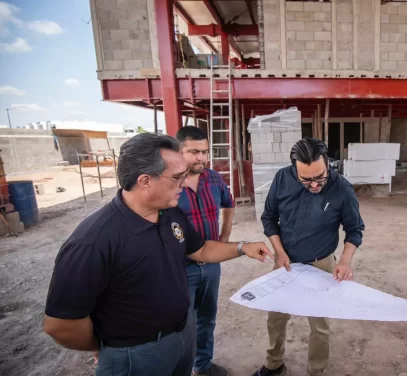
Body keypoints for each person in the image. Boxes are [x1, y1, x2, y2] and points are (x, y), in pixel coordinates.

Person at [43, 133, 273, 376]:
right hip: (135, 355)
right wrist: (110, 347)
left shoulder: (169, 214)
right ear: (144, 181)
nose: (184, 184)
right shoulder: (93, 241)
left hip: (182, 336)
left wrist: (242, 247)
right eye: (176, 178)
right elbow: (60, 325)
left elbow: (201, 249)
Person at [252, 138, 365, 376]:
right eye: (306, 179)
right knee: (276, 318)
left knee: (320, 326)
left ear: (327, 163)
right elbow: (269, 218)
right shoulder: (282, 178)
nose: (314, 185)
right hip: (285, 262)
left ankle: (316, 371)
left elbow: (354, 229)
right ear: (295, 168)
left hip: (321, 265)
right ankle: (274, 364)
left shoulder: (341, 189)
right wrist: (280, 253)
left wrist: (344, 260)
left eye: (320, 177)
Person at [176, 126, 234, 376]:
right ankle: (180, 369)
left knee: (207, 318)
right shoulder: (169, 183)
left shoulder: (214, 178)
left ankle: (203, 365)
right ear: (179, 152)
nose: (201, 157)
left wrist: (225, 237)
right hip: (180, 267)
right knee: (179, 325)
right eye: (194, 152)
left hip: (211, 265)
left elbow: (228, 203)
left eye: (205, 152)